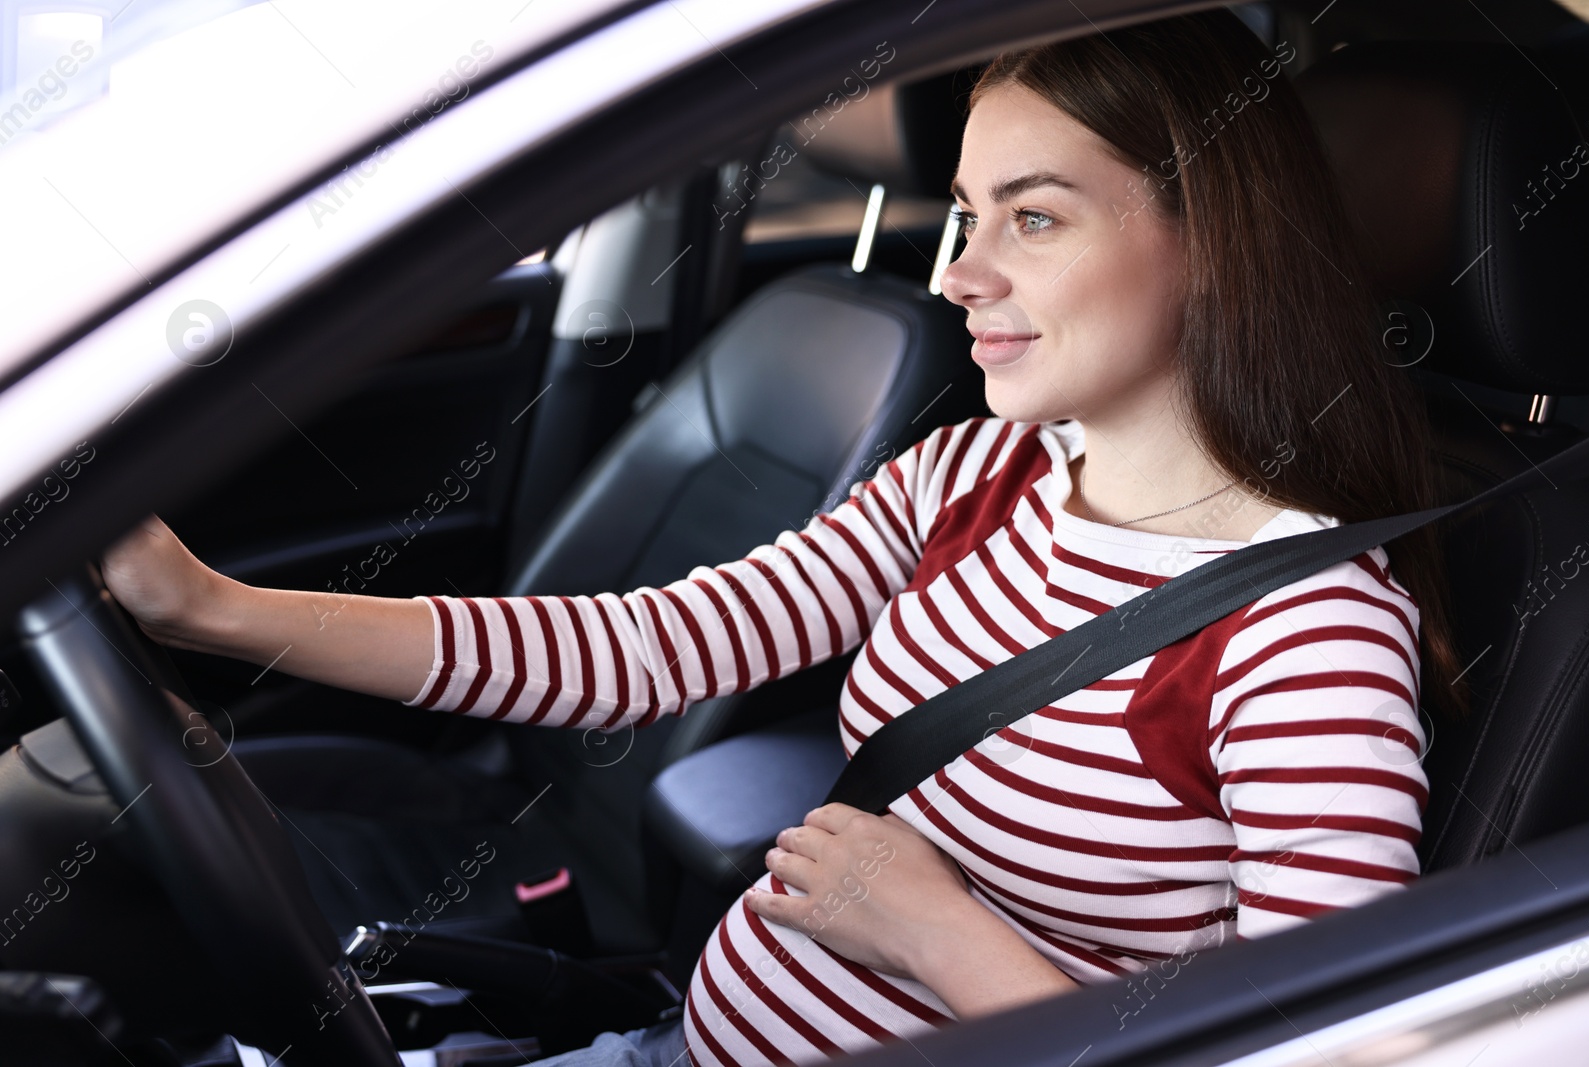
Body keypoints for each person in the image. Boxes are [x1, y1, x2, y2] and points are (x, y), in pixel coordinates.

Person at [102, 10, 1459, 1067]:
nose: (960, 275)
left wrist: (938, 932)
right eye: (969, 216)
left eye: (1033, 218)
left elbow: (1318, 1043)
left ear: (1212, 240)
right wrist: (215, 608)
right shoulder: (978, 477)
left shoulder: (1305, 637)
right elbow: (641, 649)